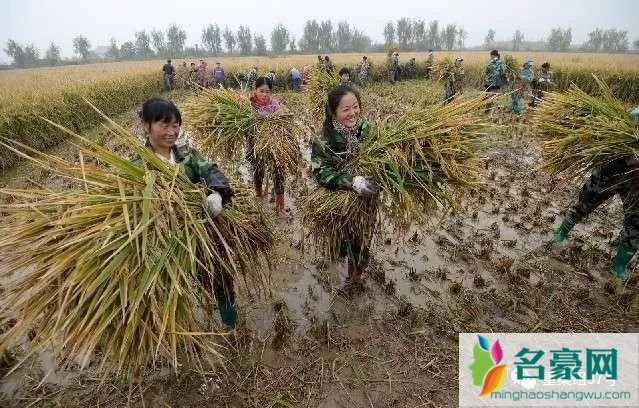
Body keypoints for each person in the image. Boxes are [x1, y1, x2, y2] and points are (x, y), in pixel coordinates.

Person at [137, 97, 237, 327]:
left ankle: (230, 326)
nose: (172, 132)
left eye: (176, 125)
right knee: (174, 289)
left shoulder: (186, 154)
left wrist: (217, 194)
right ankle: (184, 334)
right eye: (164, 125)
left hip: (202, 232)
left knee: (221, 277)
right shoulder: (138, 165)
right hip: (166, 242)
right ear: (147, 126)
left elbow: (212, 171)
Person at [554, 108, 639, 280]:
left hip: (636, 183)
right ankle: (561, 233)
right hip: (613, 170)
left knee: (637, 223)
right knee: (585, 203)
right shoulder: (634, 118)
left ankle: (619, 265)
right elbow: (632, 120)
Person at [310, 85, 380, 291]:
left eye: (356, 107)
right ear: (333, 112)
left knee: (362, 241)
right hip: (337, 202)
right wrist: (352, 182)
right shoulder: (322, 139)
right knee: (339, 241)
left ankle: (354, 279)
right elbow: (322, 174)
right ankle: (336, 269)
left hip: (366, 199)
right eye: (346, 109)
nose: (353, 113)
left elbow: (382, 161)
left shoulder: (368, 130)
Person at [248, 77, 287, 212]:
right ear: (255, 90)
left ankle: (280, 204)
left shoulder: (275, 105)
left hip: (274, 144)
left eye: (268, 92)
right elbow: (246, 127)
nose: (265, 95)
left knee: (278, 171)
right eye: (261, 91)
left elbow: (284, 113)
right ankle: (258, 195)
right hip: (255, 144)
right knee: (258, 170)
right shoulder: (249, 105)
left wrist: (275, 115)